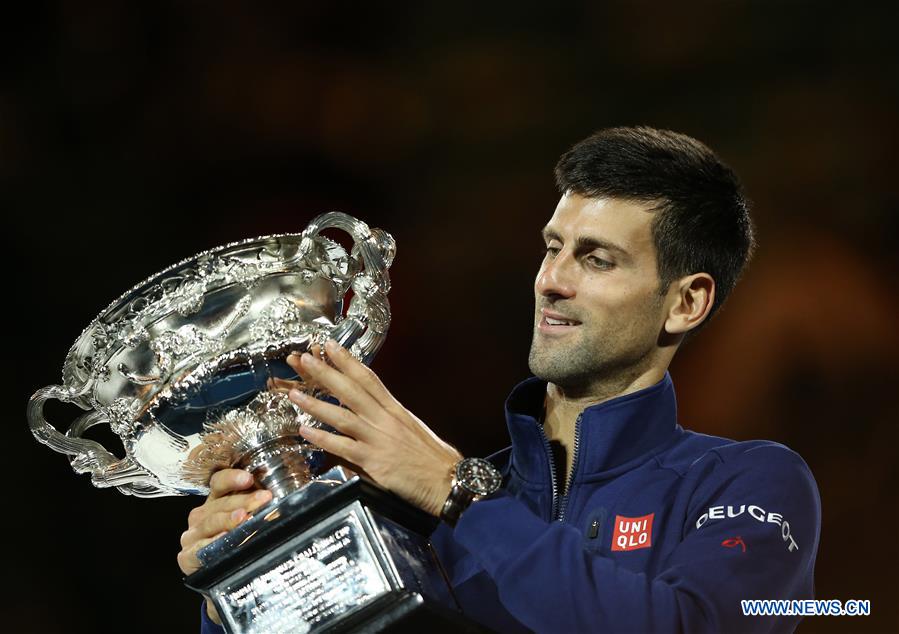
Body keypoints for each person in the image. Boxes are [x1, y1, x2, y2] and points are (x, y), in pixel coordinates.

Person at [179, 126, 820, 633]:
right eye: (552, 247)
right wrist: (243, 580)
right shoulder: (418, 513)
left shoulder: (750, 482)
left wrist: (458, 493)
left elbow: (686, 626)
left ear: (686, 303)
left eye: (596, 259)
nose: (553, 281)